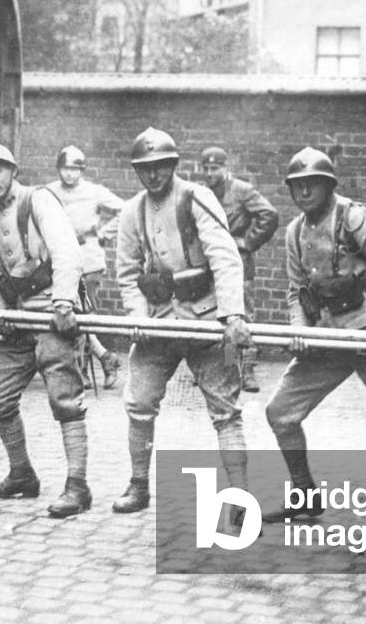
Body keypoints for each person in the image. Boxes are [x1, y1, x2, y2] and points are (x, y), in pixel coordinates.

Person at [112, 127, 253, 517]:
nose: (153, 174)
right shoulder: (132, 211)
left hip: (209, 322)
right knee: (138, 402)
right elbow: (127, 272)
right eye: (145, 168)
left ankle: (240, 499)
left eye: (161, 166)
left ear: (173, 165)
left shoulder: (196, 197)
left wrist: (233, 316)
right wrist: (139, 319)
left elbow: (225, 256)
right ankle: (139, 485)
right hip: (159, 323)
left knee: (226, 410)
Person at [262, 147, 366, 521]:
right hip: (325, 338)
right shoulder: (294, 231)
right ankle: (304, 494)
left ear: (329, 185)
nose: (304, 192)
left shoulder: (354, 217)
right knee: (280, 413)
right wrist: (299, 330)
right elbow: (296, 290)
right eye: (297, 185)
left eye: (313, 184)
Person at [0, 142, 91, 518]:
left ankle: (78, 486)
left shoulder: (38, 200)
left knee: (65, 400)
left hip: (54, 315)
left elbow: (67, 252)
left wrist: (64, 303)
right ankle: (21, 474)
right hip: (20, 322)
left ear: (13, 171)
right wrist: (3, 314)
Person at [200, 146, 278, 392]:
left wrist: (248, 242)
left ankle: (249, 368)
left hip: (240, 264)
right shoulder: (202, 194)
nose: (210, 173)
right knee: (221, 317)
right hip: (213, 265)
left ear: (226, 168)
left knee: (244, 316)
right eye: (206, 168)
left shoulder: (241, 190)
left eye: (215, 168)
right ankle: (229, 367)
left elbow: (269, 214)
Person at [46, 145, 124, 389]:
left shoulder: (94, 191)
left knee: (84, 314)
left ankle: (85, 369)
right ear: (58, 169)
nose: (69, 173)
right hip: (62, 261)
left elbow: (125, 210)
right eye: (65, 168)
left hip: (88, 257)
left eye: (75, 168)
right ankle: (102, 359)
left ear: (82, 170)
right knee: (73, 313)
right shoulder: (49, 191)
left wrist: (104, 233)